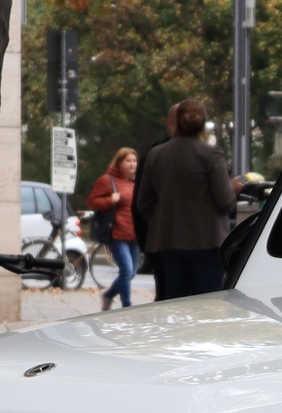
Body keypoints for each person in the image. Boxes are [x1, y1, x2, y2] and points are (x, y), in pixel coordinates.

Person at [130, 98, 235, 300]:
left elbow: (143, 202)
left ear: (176, 122)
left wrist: (165, 219)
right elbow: (225, 200)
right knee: (207, 305)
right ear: (203, 125)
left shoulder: (156, 154)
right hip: (208, 242)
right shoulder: (211, 154)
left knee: (173, 305)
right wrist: (233, 188)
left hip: (168, 243)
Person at [86, 145, 140, 310]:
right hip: (117, 234)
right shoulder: (107, 180)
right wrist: (109, 200)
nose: (133, 164)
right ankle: (127, 305)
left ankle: (108, 295)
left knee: (131, 273)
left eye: (135, 161)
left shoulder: (137, 182)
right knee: (126, 270)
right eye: (128, 161)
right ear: (119, 163)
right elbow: (92, 201)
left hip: (135, 234)